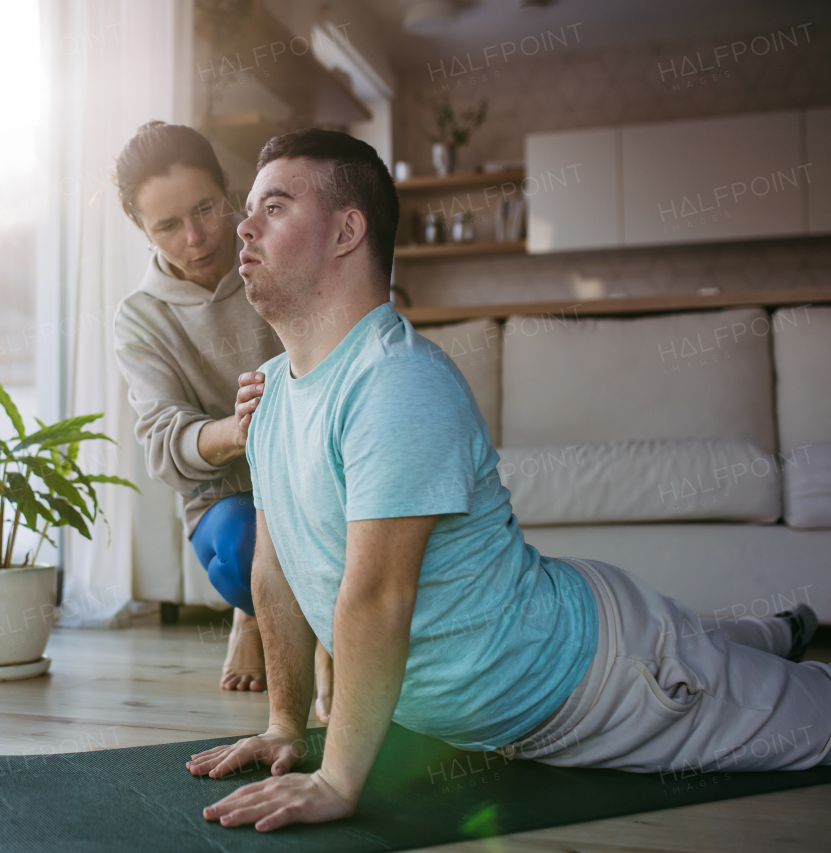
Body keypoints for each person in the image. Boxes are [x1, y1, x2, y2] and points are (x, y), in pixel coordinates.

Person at [185, 128, 828, 832]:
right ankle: (768, 629)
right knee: (704, 640)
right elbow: (274, 570)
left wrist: (337, 777)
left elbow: (378, 596)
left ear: (346, 231)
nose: (241, 226)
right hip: (552, 642)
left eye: (274, 207)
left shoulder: (393, 381)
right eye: (249, 207)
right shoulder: (271, 393)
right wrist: (284, 725)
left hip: (606, 679)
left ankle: (749, 643)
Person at [112, 121, 334, 715]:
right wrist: (236, 432)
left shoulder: (278, 255)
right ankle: (257, 609)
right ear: (140, 227)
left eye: (207, 208)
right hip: (224, 499)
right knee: (243, 552)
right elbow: (163, 444)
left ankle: (308, 638)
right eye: (166, 226)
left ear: (230, 189)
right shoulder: (140, 318)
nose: (196, 237)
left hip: (313, 477)